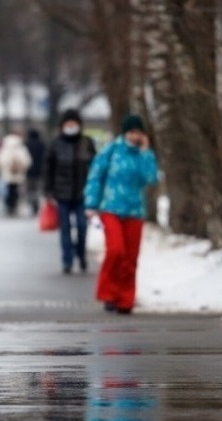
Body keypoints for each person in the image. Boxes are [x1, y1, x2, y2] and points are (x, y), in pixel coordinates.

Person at [84, 113, 159, 314]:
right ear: (125, 132)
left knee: (131, 257)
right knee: (116, 250)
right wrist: (91, 204)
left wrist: (145, 152)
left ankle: (126, 299)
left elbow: (151, 178)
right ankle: (109, 294)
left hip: (134, 210)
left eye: (138, 132)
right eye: (132, 132)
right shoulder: (111, 151)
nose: (135, 136)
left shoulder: (143, 154)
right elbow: (95, 177)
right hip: (111, 208)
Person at [44, 109, 96, 274]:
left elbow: (95, 168)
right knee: (65, 228)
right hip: (62, 193)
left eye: (74, 124)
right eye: (68, 124)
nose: (71, 127)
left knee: (82, 226)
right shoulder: (55, 144)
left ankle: (81, 254)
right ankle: (67, 259)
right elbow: (48, 169)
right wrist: (48, 191)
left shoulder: (87, 143)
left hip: (83, 193)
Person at [0, 130, 33, 217]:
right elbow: (27, 161)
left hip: (7, 174)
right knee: (16, 190)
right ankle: (14, 205)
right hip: (18, 174)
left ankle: (9, 205)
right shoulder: (21, 148)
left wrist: (7, 166)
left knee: (8, 190)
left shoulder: (5, 148)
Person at [24, 128, 47, 215]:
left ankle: (31, 203)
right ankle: (35, 204)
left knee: (30, 189)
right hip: (39, 171)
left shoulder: (26, 144)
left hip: (28, 171)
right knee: (37, 189)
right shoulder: (42, 145)